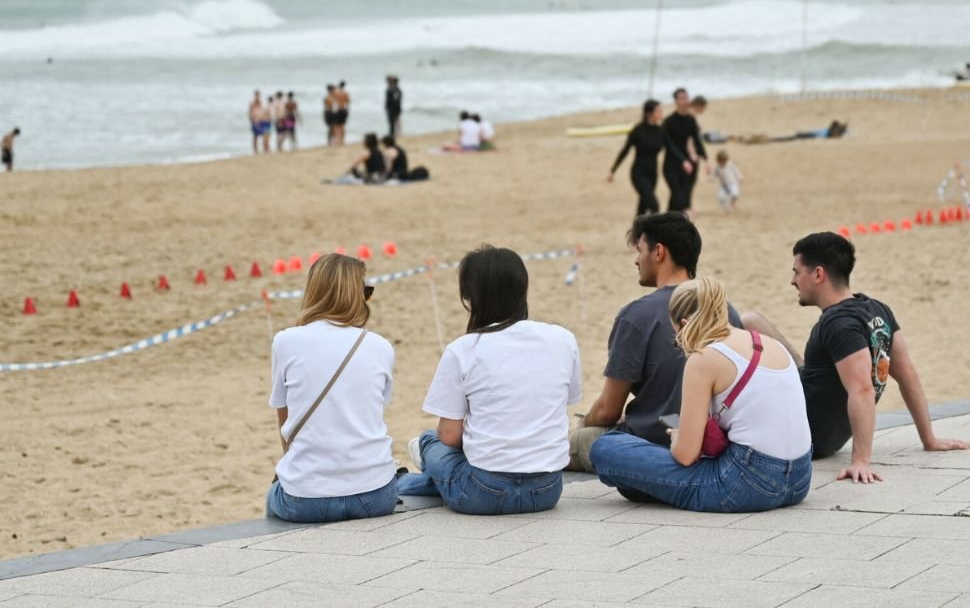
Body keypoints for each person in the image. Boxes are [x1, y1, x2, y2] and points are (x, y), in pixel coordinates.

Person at [754, 232, 970, 482]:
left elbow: (862, 389)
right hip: (823, 415)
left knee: (736, 328)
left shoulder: (839, 325)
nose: (792, 281)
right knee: (752, 322)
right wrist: (928, 438)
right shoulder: (878, 310)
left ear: (818, 274)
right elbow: (907, 375)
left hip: (807, 435)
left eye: (797, 272)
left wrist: (860, 461)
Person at [589, 277, 812, 512]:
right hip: (799, 479)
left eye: (677, 338)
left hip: (746, 484)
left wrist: (677, 437)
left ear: (684, 325)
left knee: (606, 448)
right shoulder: (769, 344)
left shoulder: (704, 359)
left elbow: (686, 455)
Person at [397, 247, 581, 515]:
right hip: (546, 489)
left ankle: (405, 481)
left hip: (483, 492)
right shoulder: (563, 339)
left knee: (430, 440)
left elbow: (450, 436)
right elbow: (568, 400)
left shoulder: (463, 349)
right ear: (522, 288)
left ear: (470, 297)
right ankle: (426, 479)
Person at [568, 212, 742, 473]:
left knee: (569, 442)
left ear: (658, 252)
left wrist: (585, 423)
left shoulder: (637, 316)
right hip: (714, 443)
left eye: (639, 250)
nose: (636, 260)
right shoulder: (726, 311)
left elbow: (608, 410)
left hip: (653, 444)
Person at [266, 254, 398, 523]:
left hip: (307, 498)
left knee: (274, 494)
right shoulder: (380, 346)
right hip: (376, 494)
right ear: (356, 296)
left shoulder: (286, 341)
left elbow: (284, 417)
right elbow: (372, 412)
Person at [607, 99, 675, 217]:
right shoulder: (638, 130)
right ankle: (654, 228)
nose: (661, 113)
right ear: (649, 113)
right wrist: (613, 170)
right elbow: (625, 150)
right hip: (638, 173)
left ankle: (636, 228)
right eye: (658, 111)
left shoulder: (661, 131)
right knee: (654, 205)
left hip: (653, 174)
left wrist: (684, 161)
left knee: (643, 208)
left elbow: (672, 148)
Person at [662, 87, 708, 216]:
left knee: (679, 198)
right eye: (682, 98)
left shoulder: (691, 120)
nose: (685, 100)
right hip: (671, 165)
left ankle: (670, 219)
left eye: (686, 97)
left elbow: (697, 140)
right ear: (676, 101)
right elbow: (669, 145)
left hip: (688, 164)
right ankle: (685, 210)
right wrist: (683, 160)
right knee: (678, 194)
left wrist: (705, 159)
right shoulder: (668, 122)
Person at [248, 90, 272, 154]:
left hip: (261, 120)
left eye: (258, 95)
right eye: (257, 95)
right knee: (255, 136)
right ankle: (255, 150)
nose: (257, 96)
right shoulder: (252, 103)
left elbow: (262, 111)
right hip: (255, 121)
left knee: (264, 135)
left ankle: (264, 149)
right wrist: (252, 121)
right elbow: (250, 112)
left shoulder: (260, 102)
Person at [335, 81, 351, 145]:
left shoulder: (337, 93)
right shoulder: (346, 94)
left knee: (337, 126)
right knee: (343, 125)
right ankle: (343, 140)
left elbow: (334, 101)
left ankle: (338, 139)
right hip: (344, 109)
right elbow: (348, 102)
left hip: (338, 110)